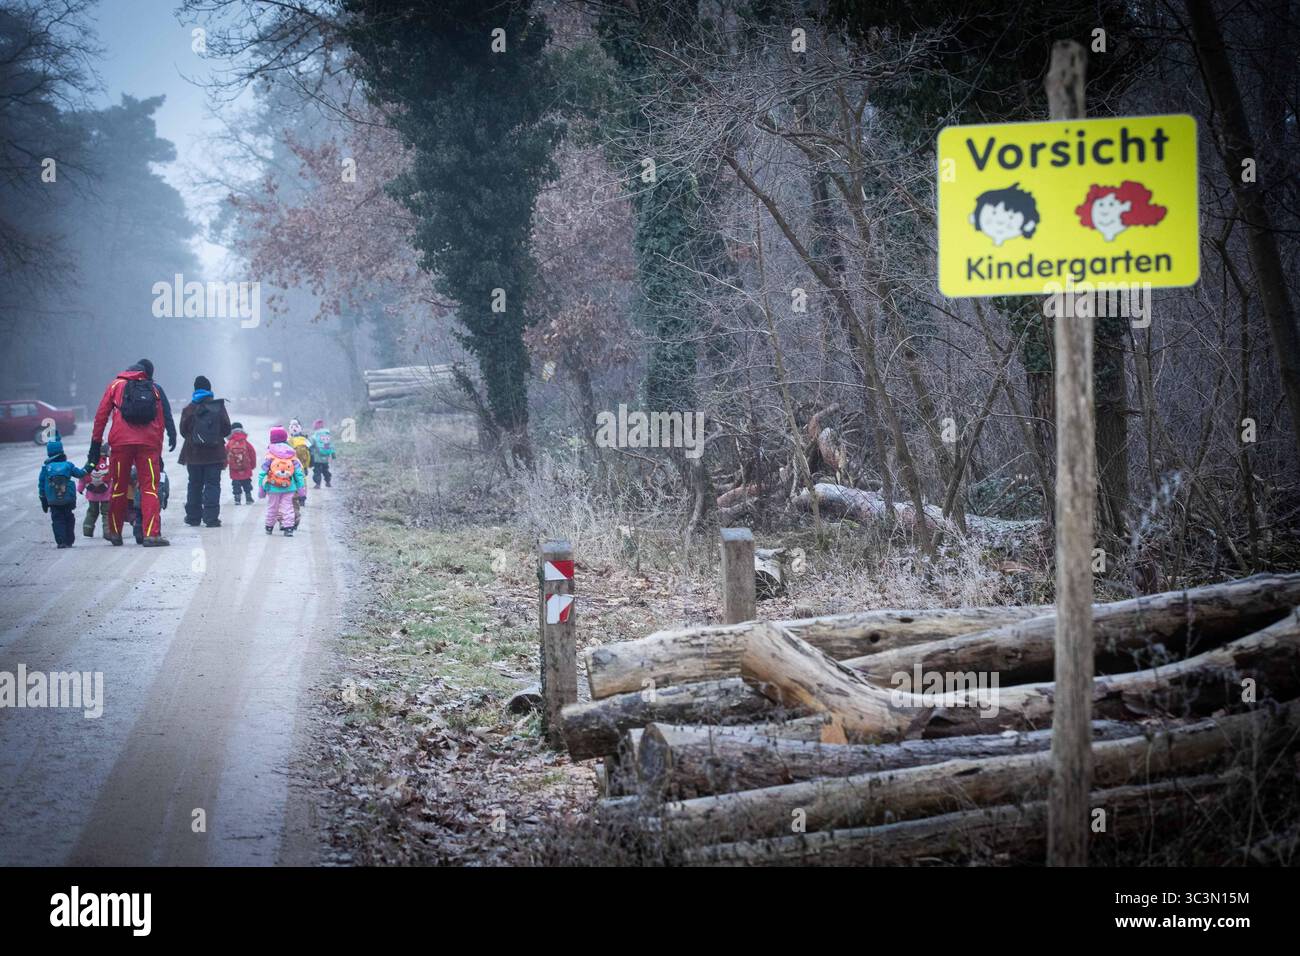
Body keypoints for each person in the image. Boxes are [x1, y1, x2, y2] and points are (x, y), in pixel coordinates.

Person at [87, 358, 175, 546]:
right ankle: (152, 534)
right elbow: (160, 421)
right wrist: (157, 450)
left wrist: (95, 445)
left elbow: (101, 416)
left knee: (119, 486)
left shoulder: (115, 385)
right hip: (148, 445)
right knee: (149, 487)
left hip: (120, 444)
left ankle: (115, 532)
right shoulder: (153, 388)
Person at [178, 375, 232, 528]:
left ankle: (193, 517)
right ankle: (211, 518)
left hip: (193, 455)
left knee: (194, 484)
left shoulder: (189, 408)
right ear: (209, 389)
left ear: (195, 389)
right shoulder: (218, 407)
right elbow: (227, 428)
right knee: (213, 485)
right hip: (214, 455)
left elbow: (183, 431)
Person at [39, 437, 86, 549]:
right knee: (69, 517)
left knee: (57, 519)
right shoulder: (68, 465)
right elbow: (80, 474)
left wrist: (43, 500)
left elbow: (41, 486)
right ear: (62, 451)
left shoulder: (46, 468)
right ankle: (69, 540)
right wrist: (89, 467)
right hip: (68, 498)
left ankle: (61, 541)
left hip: (53, 499)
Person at [259, 425, 304, 536]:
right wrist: (301, 489)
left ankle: (269, 527)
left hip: (272, 487)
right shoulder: (291, 454)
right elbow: (298, 474)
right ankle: (288, 528)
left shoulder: (270, 454)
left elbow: (262, 473)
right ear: (285, 438)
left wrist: (261, 489)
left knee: (272, 507)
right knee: (288, 507)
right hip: (289, 487)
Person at [78, 443, 112, 537]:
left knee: (92, 512)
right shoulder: (108, 463)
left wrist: (80, 488)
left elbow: (83, 476)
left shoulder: (90, 462)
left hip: (92, 494)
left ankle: (87, 530)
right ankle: (107, 532)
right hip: (106, 494)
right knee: (106, 513)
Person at [287, 418, 312, 524]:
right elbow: (311, 452)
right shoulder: (304, 439)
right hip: (302, 465)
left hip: (293, 465)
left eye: (296, 426)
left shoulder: (289, 440)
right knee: (302, 481)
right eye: (292, 426)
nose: (294, 428)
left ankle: (297, 497)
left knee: (295, 481)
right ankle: (302, 497)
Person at [225, 423, 257, 505]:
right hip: (246, 467)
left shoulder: (229, 443)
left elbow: (225, 454)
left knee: (235, 483)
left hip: (234, 468)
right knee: (246, 481)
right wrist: (252, 465)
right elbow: (252, 453)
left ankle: (237, 498)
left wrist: (225, 464)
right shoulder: (245, 442)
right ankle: (248, 497)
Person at [309, 419, 335, 488]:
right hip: (325, 457)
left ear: (315, 427)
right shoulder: (327, 435)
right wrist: (333, 455)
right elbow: (331, 445)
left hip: (317, 457)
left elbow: (310, 445)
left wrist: (310, 453)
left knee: (317, 471)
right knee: (325, 470)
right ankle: (328, 482)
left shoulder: (314, 436)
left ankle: (318, 484)